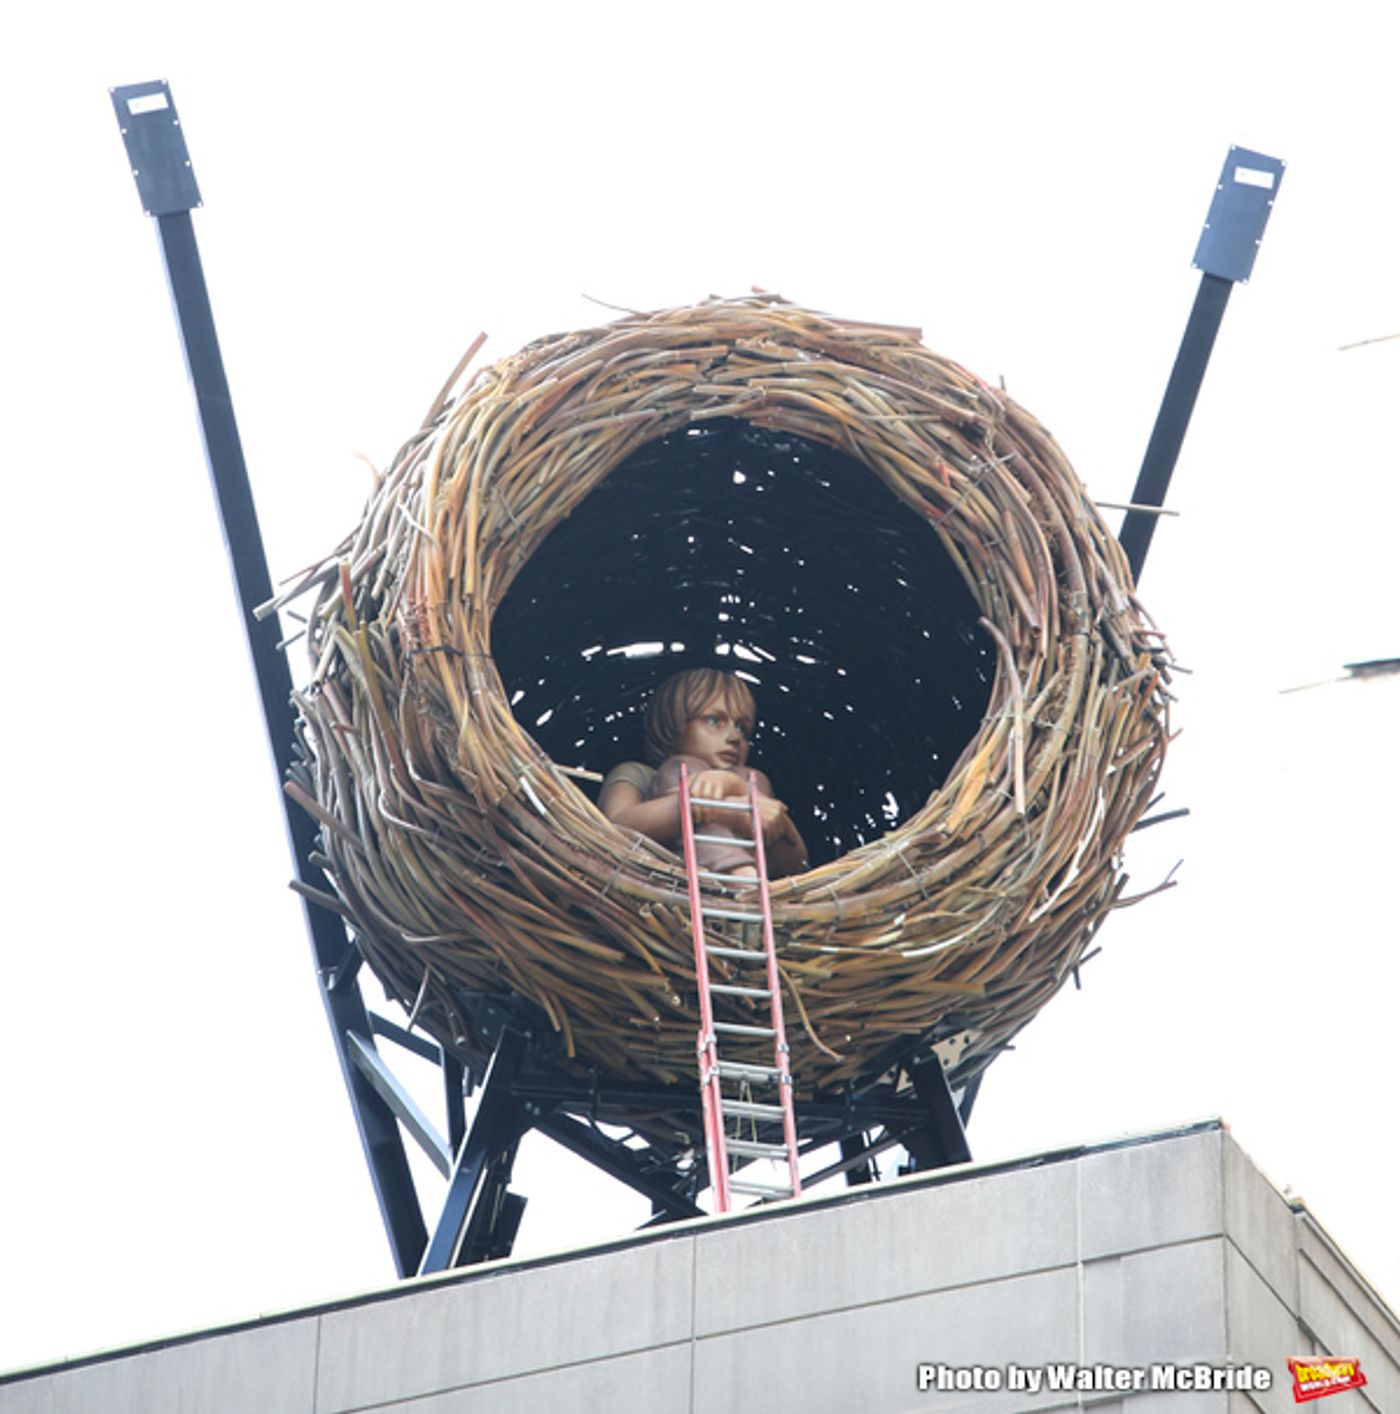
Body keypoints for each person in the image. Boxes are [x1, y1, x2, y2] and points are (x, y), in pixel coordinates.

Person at [599, 668, 808, 880]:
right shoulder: (639, 774)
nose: (734, 737)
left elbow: (797, 866)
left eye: (742, 729)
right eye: (713, 720)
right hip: (662, 892)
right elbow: (614, 828)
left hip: (747, 896)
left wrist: (734, 784)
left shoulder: (751, 781)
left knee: (754, 778)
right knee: (680, 768)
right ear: (673, 726)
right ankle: (736, 872)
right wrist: (726, 811)